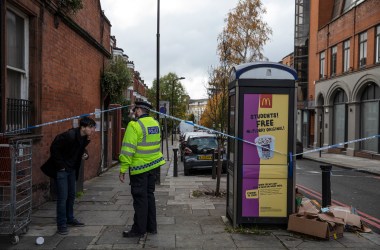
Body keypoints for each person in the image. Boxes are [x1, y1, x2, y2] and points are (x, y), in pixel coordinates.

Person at [119, 101, 165, 238]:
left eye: (134, 110)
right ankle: (152, 227)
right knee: (149, 196)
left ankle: (139, 229)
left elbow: (128, 149)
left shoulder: (134, 125)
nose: (133, 112)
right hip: (154, 166)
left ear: (138, 110)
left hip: (139, 169)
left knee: (140, 198)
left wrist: (123, 169)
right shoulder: (156, 124)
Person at [43, 117, 96, 235]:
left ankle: (70, 219)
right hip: (62, 170)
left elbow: (81, 150)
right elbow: (54, 147)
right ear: (83, 127)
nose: (93, 130)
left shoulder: (83, 137)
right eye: (91, 127)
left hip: (72, 170)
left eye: (93, 128)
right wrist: (61, 166)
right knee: (63, 197)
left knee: (71, 195)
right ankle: (61, 225)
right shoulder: (69, 135)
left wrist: (86, 155)